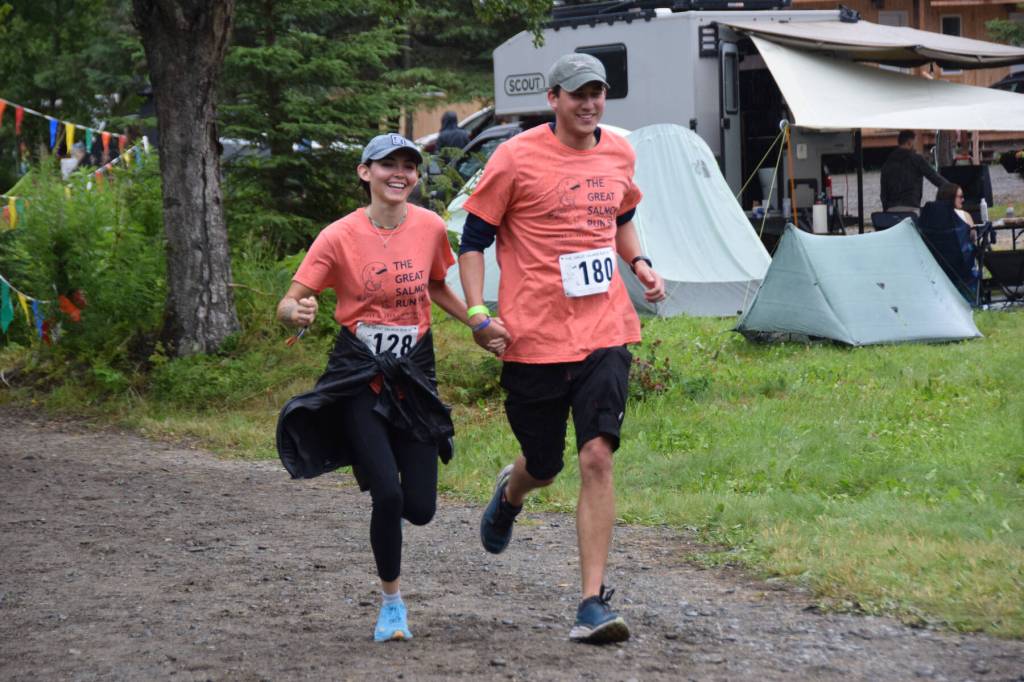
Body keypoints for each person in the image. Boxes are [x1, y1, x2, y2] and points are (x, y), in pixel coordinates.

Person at [457, 53, 666, 644]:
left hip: (604, 329)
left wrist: (640, 263)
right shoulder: (516, 157)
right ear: (553, 98)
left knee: (597, 455)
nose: (589, 103)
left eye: (597, 93)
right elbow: (474, 239)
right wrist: (477, 313)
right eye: (577, 94)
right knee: (544, 465)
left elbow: (621, 217)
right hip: (534, 338)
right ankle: (511, 491)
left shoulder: (618, 151)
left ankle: (591, 603)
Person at [275, 133, 505, 643]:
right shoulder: (337, 236)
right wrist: (299, 312)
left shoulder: (427, 227)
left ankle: (398, 492)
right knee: (387, 492)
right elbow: (290, 302)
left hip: (414, 372)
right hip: (359, 373)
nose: (399, 174)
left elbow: (438, 284)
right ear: (365, 173)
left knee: (419, 508)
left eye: (408, 166)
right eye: (387, 165)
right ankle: (392, 605)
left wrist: (477, 322)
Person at [880, 130, 948, 214]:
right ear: (910, 142)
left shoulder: (887, 162)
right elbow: (935, 178)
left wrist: (885, 210)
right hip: (911, 208)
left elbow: (883, 193)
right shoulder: (916, 159)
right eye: (915, 142)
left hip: (891, 210)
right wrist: (954, 189)